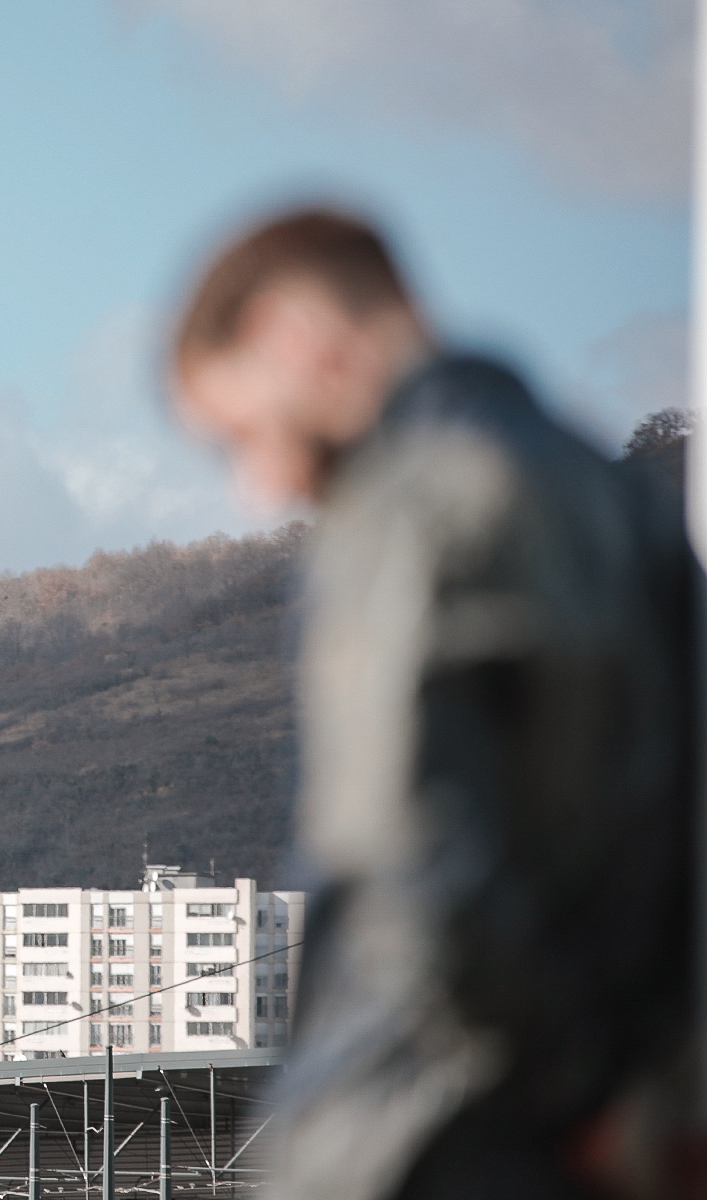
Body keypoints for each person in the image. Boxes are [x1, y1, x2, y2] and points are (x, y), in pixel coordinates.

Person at [168, 209, 696, 1199]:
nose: (259, 487)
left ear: (296, 340)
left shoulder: (405, 500)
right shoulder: (632, 512)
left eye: (244, 434)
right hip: (609, 1138)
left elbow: (403, 855)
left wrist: (555, 1076)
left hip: (413, 1132)